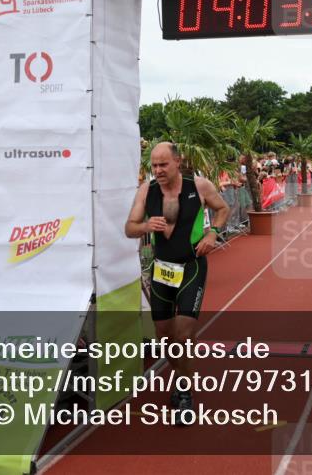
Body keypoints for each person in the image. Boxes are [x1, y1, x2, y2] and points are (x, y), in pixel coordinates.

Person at [124, 142, 229, 423]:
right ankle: (184, 375)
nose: (157, 170)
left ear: (177, 162)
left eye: (163, 164)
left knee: (182, 335)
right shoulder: (147, 191)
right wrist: (146, 226)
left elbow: (223, 209)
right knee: (166, 339)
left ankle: (184, 390)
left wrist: (212, 234)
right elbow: (129, 228)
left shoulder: (200, 186)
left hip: (191, 267)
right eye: (154, 165)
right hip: (161, 270)